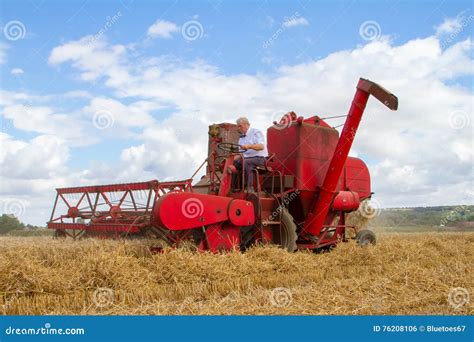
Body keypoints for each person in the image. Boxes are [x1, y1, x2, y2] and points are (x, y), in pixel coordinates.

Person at [234, 117, 268, 192]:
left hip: (260, 158)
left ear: (246, 125)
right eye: (238, 126)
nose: (238, 128)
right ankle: (234, 187)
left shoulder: (256, 132)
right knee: (233, 164)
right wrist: (231, 159)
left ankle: (250, 187)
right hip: (247, 158)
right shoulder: (241, 138)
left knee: (246, 162)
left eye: (240, 126)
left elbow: (261, 146)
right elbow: (241, 154)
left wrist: (249, 146)